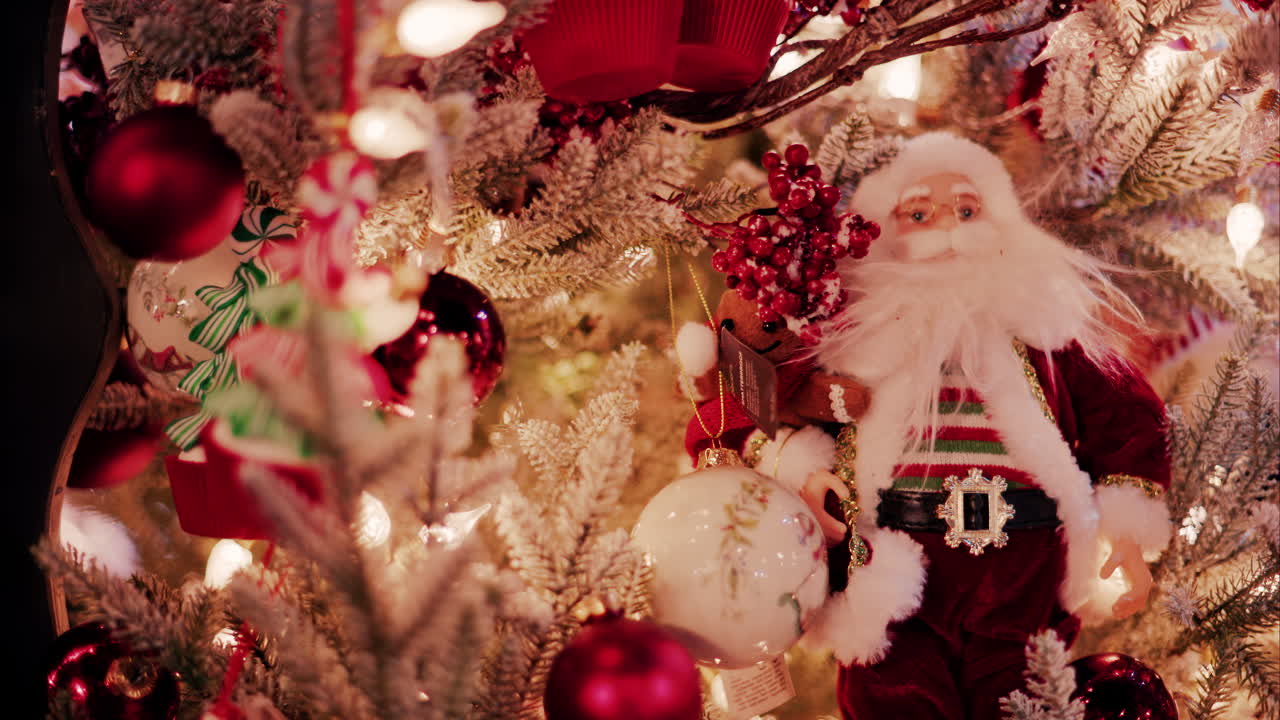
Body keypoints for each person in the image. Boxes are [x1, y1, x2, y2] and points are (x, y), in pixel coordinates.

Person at [796, 132, 1174, 720]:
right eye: (920, 213)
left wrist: (1125, 533)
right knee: (895, 695)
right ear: (886, 234)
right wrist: (807, 479)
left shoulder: (1044, 330)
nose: (949, 224)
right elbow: (788, 411)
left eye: (967, 209)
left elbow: (1125, 415)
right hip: (899, 570)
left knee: (1018, 699)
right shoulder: (856, 345)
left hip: (1021, 574)